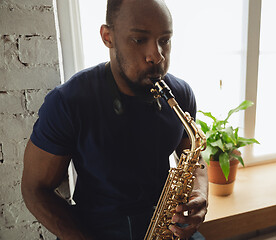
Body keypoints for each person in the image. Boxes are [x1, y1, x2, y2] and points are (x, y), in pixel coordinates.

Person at [21, 0, 208, 239]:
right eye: (139, 40)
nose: (156, 56)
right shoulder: (68, 101)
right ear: (107, 36)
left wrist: (200, 196)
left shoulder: (180, 93)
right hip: (95, 228)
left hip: (164, 224)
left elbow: (194, 158)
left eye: (165, 40)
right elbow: (35, 189)